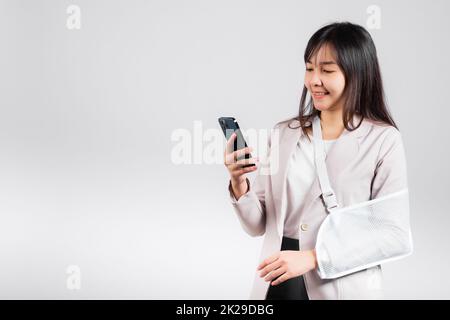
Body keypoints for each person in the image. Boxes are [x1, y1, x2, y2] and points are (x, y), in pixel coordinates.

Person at [223, 21, 412, 300]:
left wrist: (313, 257)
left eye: (326, 70)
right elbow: (256, 224)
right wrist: (239, 183)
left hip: (339, 285)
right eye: (309, 68)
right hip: (275, 283)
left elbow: (394, 235)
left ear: (357, 74)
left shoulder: (383, 141)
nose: (314, 80)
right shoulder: (283, 134)